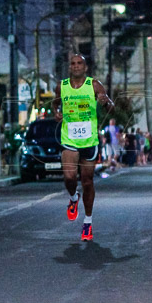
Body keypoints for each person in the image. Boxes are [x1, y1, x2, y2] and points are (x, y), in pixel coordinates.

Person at [53, 54, 114, 243]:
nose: (76, 66)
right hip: (69, 138)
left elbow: (111, 107)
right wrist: (56, 113)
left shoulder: (94, 85)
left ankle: (87, 222)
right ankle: (73, 198)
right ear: (69, 67)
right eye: (73, 63)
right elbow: (55, 102)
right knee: (70, 177)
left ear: (85, 67)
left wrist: (106, 102)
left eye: (80, 63)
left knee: (87, 182)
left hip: (89, 140)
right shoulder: (61, 86)